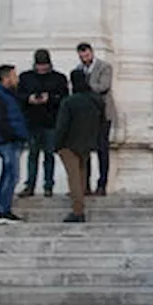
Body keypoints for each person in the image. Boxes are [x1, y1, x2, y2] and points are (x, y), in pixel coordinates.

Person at [17, 48, 68, 198]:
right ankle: (30, 185)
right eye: (39, 65)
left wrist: (50, 98)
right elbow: (19, 97)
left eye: (44, 65)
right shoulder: (26, 77)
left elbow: (64, 98)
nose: (42, 68)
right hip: (32, 121)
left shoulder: (59, 78)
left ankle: (48, 185)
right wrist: (29, 99)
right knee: (32, 155)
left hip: (51, 122)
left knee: (49, 155)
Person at [53, 70, 102, 223]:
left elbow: (62, 125)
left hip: (69, 144)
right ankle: (79, 208)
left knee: (74, 178)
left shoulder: (69, 102)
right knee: (81, 176)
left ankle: (78, 211)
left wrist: (57, 144)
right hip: (87, 143)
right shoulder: (96, 101)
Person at [0, 64, 28, 224]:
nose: (16, 79)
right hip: (7, 141)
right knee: (11, 175)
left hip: (13, 140)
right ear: (6, 78)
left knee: (8, 174)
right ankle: (3, 210)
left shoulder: (11, 95)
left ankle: (2, 209)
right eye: (14, 76)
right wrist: (12, 135)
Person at [72, 42, 114, 196]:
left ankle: (102, 184)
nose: (85, 59)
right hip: (86, 115)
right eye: (82, 56)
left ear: (92, 53)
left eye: (87, 55)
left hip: (102, 113)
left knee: (103, 149)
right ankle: (85, 184)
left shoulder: (104, 67)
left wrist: (85, 85)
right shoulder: (78, 69)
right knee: (85, 149)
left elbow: (103, 86)